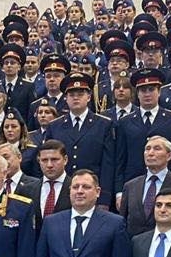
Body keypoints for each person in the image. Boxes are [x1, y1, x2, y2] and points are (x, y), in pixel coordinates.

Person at [42, 73, 116, 207]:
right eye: (71, 94)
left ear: (89, 97)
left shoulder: (104, 124)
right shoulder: (55, 126)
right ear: (65, 98)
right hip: (62, 192)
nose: (76, 97)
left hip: (91, 191)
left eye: (80, 94)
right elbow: (47, 158)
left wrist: (104, 198)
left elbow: (108, 164)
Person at [114, 68, 171, 192]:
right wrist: (119, 191)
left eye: (151, 89)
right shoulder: (125, 121)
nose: (147, 94)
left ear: (159, 92)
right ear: (137, 94)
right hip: (133, 185)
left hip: (167, 186)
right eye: (143, 90)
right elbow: (120, 159)